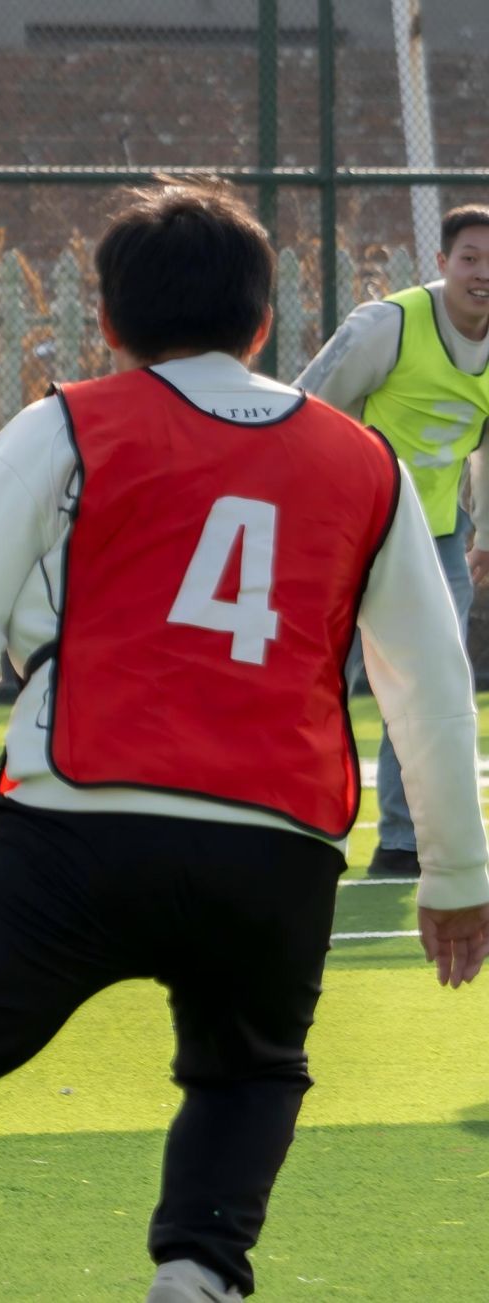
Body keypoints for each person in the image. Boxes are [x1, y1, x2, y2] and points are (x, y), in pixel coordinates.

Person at [0, 182, 489, 1303]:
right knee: (249, 1069)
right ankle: (199, 1265)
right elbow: (430, 678)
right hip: (275, 841)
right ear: (263, 322)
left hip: (76, 828)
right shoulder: (366, 463)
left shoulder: (68, 422)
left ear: (109, 321)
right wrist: (456, 874)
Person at [294, 203, 489, 879]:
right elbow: (305, 407)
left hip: (434, 540)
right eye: (470, 258)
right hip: (343, 532)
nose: (482, 273)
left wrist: (484, 533)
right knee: (312, 681)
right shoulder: (389, 324)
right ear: (442, 263)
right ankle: (293, 828)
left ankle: (404, 844)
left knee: (431, 692)